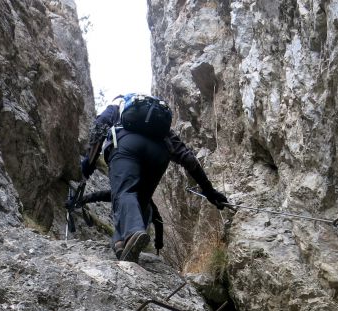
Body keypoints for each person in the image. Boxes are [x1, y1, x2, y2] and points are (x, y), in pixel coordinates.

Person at [80, 93, 229, 262]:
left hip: (126, 146)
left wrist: (88, 164)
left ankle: (133, 232)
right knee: (140, 201)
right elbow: (187, 158)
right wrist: (209, 191)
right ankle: (122, 245)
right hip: (159, 154)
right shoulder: (159, 126)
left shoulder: (117, 107)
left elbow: (99, 127)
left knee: (124, 193)